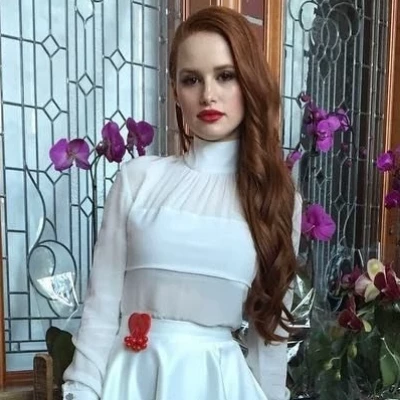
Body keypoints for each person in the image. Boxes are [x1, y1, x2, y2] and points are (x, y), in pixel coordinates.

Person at [62, 6, 302, 400]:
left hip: (221, 386)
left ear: (250, 81)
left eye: (225, 76)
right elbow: (101, 310)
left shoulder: (277, 200)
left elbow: (268, 344)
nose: (208, 94)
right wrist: (80, 391)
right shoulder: (138, 180)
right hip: (129, 382)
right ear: (175, 91)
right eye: (192, 79)